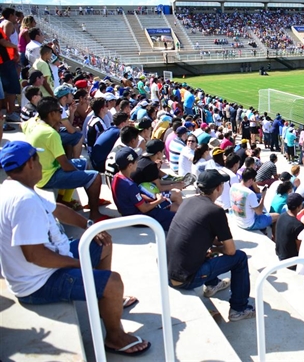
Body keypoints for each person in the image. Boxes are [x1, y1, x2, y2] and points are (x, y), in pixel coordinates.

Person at [0, 141, 150, 356]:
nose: (43, 164)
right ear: (30, 164)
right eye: (38, 159)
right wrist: (79, 265)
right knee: (113, 282)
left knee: (102, 242)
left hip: (46, 264)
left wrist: (89, 226)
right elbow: (34, 255)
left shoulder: (16, 188)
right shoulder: (23, 201)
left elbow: (57, 210)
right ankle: (115, 337)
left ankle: (104, 299)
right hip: (38, 282)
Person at [166, 170, 255, 321]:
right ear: (218, 188)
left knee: (204, 249)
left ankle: (213, 283)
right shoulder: (216, 211)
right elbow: (231, 251)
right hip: (186, 279)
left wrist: (213, 246)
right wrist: (217, 248)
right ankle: (238, 309)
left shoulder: (188, 201)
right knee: (240, 258)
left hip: (169, 272)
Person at [22, 97, 106, 222]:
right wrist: (79, 174)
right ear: (51, 114)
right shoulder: (50, 134)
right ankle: (95, 214)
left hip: (42, 171)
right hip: (48, 177)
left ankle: (91, 198)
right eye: (59, 111)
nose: (61, 114)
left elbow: (22, 125)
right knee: (95, 177)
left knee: (84, 163)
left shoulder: (33, 122)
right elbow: (65, 165)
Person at [111, 147, 179, 232]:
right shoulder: (130, 185)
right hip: (138, 218)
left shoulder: (117, 176)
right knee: (176, 218)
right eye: (136, 161)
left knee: (174, 208)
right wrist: (159, 200)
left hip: (128, 212)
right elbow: (144, 209)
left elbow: (133, 197)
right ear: (130, 166)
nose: (138, 163)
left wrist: (152, 199)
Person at [230, 168, 279, 232]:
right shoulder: (250, 193)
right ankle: (274, 237)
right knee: (277, 215)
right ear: (250, 180)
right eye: (254, 180)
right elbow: (259, 212)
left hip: (237, 219)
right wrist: (263, 196)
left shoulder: (233, 186)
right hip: (248, 224)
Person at [275, 193, 304, 262]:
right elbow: (300, 248)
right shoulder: (298, 225)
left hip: (280, 255)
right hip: (290, 261)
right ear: (298, 207)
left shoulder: (281, 216)